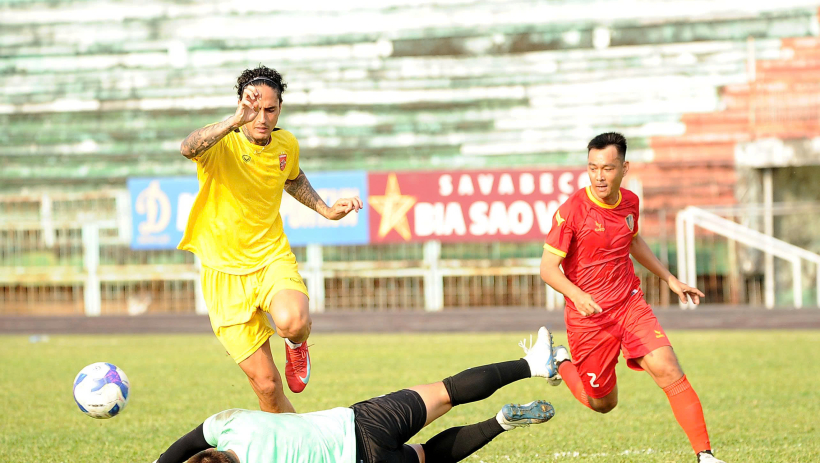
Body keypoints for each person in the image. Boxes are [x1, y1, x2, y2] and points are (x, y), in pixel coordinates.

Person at [178, 65, 364, 413]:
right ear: (240, 104)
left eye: (271, 109)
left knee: (293, 321)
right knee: (267, 386)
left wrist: (325, 210)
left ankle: (297, 344)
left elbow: (292, 177)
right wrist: (234, 121)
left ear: (280, 108)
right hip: (224, 275)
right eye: (254, 108)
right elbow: (188, 147)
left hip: (270, 258)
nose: (261, 117)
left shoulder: (286, 143)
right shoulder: (221, 143)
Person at [539, 132, 724, 463]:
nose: (599, 177)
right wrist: (578, 295)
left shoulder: (630, 202)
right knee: (603, 404)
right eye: (592, 168)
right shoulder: (571, 212)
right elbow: (548, 269)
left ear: (624, 167)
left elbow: (633, 241)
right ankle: (560, 362)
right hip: (589, 318)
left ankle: (705, 455)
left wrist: (669, 278)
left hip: (628, 304)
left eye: (607, 169)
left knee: (667, 367)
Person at [152, 327, 559, 463]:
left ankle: (501, 422)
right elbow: (184, 444)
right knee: (448, 391)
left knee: (426, 458)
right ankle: (535, 365)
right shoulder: (230, 425)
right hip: (361, 420)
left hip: (366, 459)